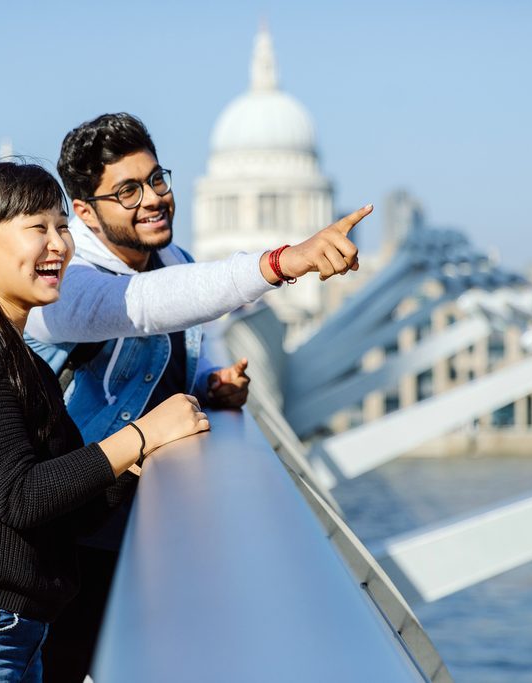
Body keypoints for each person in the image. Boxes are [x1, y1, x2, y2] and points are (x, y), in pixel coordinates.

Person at [24, 112, 370, 681]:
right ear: (84, 212)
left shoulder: (175, 258)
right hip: (60, 541)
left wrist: (212, 382)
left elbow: (191, 339)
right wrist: (283, 261)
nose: (153, 199)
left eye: (156, 179)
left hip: (141, 528)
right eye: (127, 191)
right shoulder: (63, 283)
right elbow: (145, 305)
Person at [0, 161, 208, 682]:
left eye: (61, 226)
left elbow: (69, 512)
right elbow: (18, 495)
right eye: (37, 228)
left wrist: (140, 460)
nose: (58, 244)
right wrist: (140, 435)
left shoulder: (25, 362)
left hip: (10, 632)